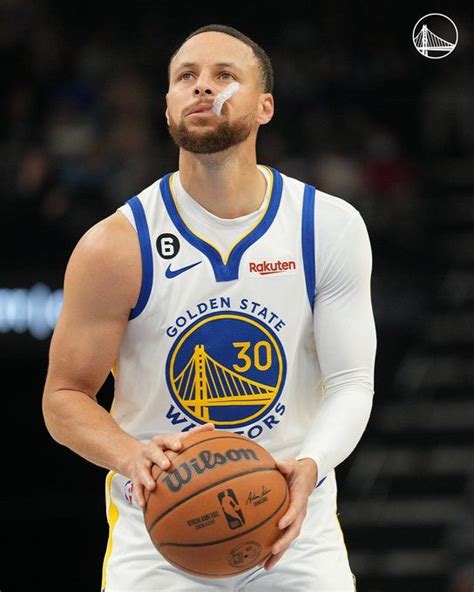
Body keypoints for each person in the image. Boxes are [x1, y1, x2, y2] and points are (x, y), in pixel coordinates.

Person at [42, 23, 376, 592]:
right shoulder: (115, 245)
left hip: (295, 524)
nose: (203, 87)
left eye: (225, 75)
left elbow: (351, 382)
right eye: (186, 77)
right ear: (167, 105)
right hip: (161, 530)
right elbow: (63, 397)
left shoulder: (326, 226)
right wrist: (131, 456)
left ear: (265, 106)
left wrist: (312, 466)